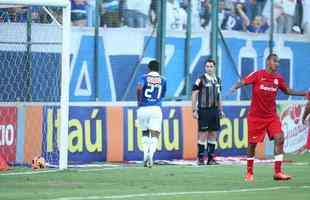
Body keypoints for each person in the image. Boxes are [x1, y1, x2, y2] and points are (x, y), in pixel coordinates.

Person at [230, 53, 310, 181]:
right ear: (268, 62)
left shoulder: (278, 78)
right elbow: (244, 81)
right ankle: (249, 172)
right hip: (256, 117)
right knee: (252, 145)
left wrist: (304, 93)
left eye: (278, 62)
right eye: (275, 61)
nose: (277, 64)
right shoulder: (258, 74)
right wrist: (235, 87)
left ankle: (278, 172)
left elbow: (288, 91)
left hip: (271, 116)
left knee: (280, 138)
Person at [192, 59, 224, 165]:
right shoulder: (200, 80)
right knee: (203, 134)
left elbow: (219, 97)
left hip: (214, 110)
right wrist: (194, 110)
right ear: (205, 68)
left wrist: (221, 110)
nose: (209, 68)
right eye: (207, 66)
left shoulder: (218, 80)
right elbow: (194, 94)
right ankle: (200, 158)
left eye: (211, 66)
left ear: (214, 67)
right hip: (203, 110)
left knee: (213, 134)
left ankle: (211, 159)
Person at [136, 60, 167, 168]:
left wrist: (139, 100)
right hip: (156, 108)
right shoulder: (163, 80)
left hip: (143, 108)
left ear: (148, 68)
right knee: (155, 133)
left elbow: (139, 87)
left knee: (145, 132)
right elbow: (162, 95)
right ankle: (151, 156)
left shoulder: (143, 77)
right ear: (158, 69)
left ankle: (145, 154)